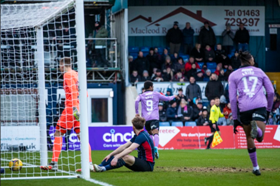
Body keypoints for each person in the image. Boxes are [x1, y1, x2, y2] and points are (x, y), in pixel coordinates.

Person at [40, 57, 93, 171]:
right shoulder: (77, 74)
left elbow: (73, 91)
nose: (59, 67)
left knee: (58, 132)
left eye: (60, 65)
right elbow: (85, 93)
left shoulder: (67, 75)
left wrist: (74, 109)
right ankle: (89, 164)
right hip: (80, 107)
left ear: (64, 65)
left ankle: (54, 163)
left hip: (71, 108)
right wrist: (79, 108)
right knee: (81, 136)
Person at [229, 51, 274, 176]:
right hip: (259, 105)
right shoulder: (259, 71)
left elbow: (232, 99)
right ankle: (258, 130)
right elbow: (270, 92)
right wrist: (268, 109)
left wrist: (235, 118)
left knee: (249, 137)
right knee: (260, 138)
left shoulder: (233, 75)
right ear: (250, 60)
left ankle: (255, 167)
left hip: (244, 109)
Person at [135, 81, 177, 159]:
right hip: (154, 118)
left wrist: (137, 113)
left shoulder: (141, 95)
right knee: (156, 133)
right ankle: (156, 148)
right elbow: (167, 99)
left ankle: (151, 147)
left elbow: (136, 101)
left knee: (150, 134)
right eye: (152, 86)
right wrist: (173, 96)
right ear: (150, 87)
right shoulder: (156, 94)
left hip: (146, 119)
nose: (153, 87)